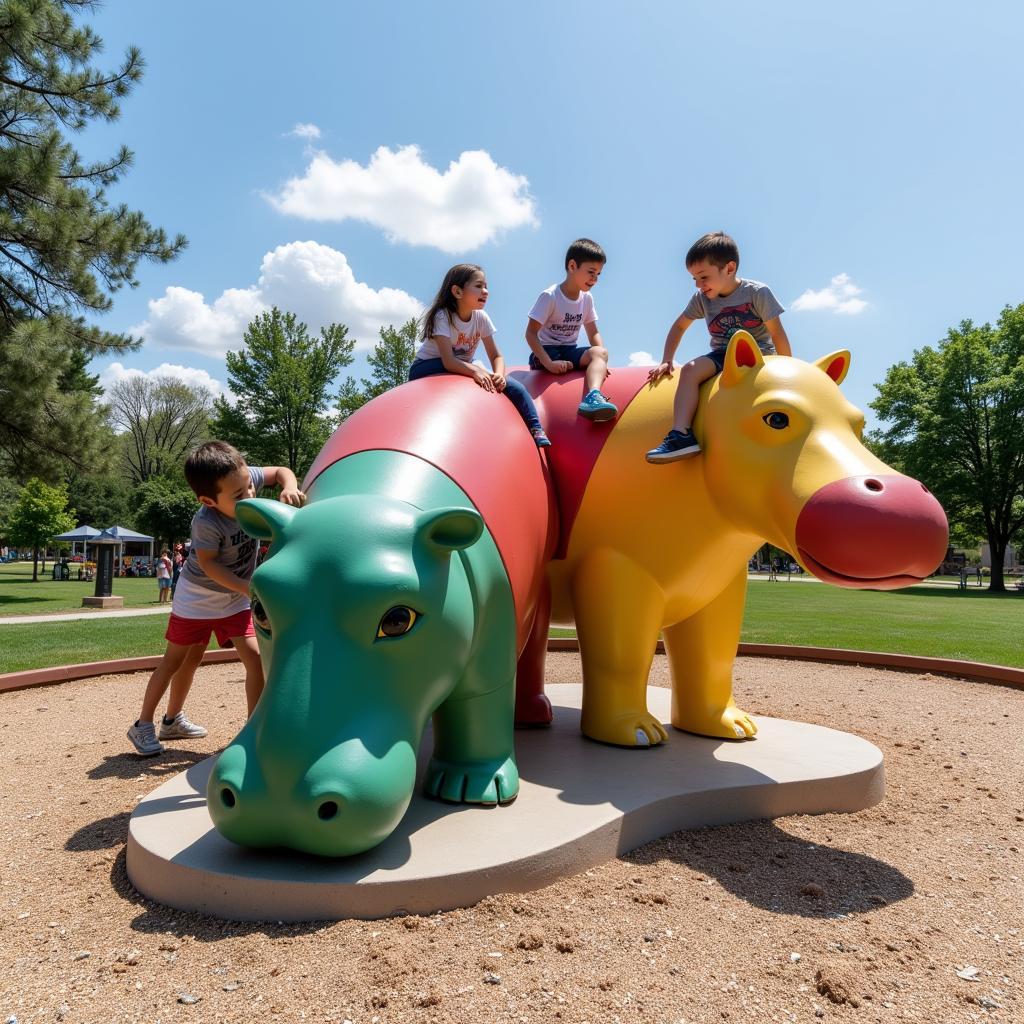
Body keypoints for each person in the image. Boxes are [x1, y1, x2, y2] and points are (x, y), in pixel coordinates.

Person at [126, 441, 305, 756]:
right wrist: (249, 587)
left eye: (249, 486)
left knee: (256, 660)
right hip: (198, 597)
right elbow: (209, 565)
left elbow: (279, 472)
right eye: (238, 496)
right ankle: (144, 725)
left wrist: (289, 486)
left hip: (234, 598)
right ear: (208, 500)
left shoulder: (240, 479)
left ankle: (253, 729)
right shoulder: (206, 522)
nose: (249, 495)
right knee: (179, 661)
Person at [645, 231, 792, 462]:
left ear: (729, 268)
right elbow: (679, 327)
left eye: (703, 277)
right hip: (723, 354)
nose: (698, 284)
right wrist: (667, 359)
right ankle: (681, 434)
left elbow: (777, 333)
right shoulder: (701, 299)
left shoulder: (756, 293)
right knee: (691, 369)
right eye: (694, 278)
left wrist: (788, 370)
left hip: (760, 357)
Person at [409, 263, 552, 448]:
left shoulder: (481, 318)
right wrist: (475, 371)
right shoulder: (443, 316)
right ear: (458, 292)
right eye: (478, 286)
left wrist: (499, 375)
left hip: (465, 364)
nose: (485, 291)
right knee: (475, 369)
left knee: (515, 387)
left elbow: (496, 356)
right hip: (426, 366)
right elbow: (448, 361)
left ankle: (536, 428)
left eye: (486, 286)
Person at [526, 238, 617, 421]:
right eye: (591, 272)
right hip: (546, 351)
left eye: (598, 274)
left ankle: (593, 396)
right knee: (568, 359)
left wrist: (601, 360)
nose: (595, 279)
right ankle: (552, 364)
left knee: (600, 352)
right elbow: (530, 333)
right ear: (572, 266)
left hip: (569, 351)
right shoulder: (550, 296)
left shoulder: (587, 299)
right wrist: (548, 363)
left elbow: (593, 332)